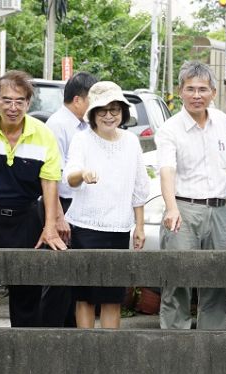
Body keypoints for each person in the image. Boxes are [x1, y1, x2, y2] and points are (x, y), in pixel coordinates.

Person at [0, 69, 66, 328]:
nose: (13, 107)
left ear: (29, 103)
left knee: (26, 296)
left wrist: (50, 226)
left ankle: (24, 352)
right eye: (6, 100)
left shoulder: (43, 134)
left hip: (26, 219)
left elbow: (50, 183)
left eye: (19, 101)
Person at [155, 61, 226, 330]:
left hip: (219, 210)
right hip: (184, 209)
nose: (196, 95)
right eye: (190, 89)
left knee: (216, 281)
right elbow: (167, 170)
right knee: (177, 279)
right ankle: (175, 342)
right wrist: (171, 208)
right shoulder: (170, 129)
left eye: (203, 89)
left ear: (213, 92)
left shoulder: (221, 121)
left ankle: (213, 341)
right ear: (180, 91)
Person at [64, 81, 149, 329]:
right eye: (102, 110)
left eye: (115, 110)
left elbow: (139, 186)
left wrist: (140, 226)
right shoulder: (82, 139)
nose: (109, 116)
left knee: (113, 297)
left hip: (119, 229)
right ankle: (87, 348)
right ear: (92, 113)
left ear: (123, 112)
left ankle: (110, 349)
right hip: (85, 228)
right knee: (85, 296)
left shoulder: (131, 141)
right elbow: (69, 176)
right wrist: (82, 174)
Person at [40, 70, 98, 327]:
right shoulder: (57, 125)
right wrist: (57, 217)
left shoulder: (85, 125)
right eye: (93, 100)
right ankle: (51, 333)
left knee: (74, 277)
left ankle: (70, 331)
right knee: (58, 278)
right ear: (78, 100)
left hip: (79, 206)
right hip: (60, 205)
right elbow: (51, 176)